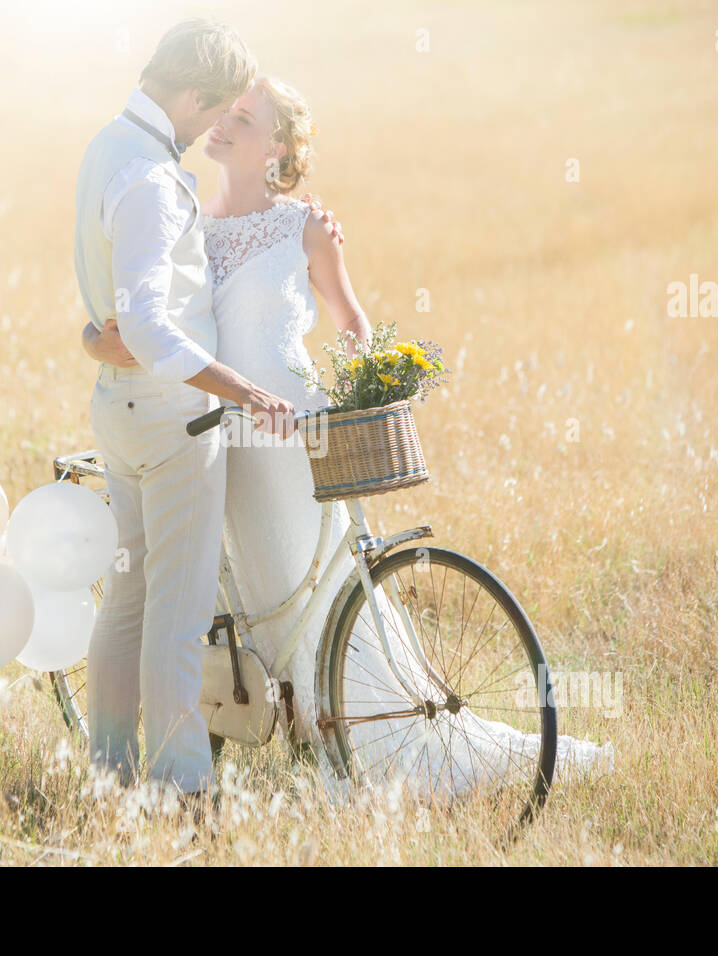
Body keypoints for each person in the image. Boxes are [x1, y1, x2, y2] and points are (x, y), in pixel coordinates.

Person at [83, 73, 614, 805]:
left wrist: (376, 386)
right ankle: (299, 725)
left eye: (244, 116)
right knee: (262, 595)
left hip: (299, 429)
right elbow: (154, 317)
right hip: (231, 435)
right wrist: (97, 342)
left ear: (276, 146)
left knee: (323, 581)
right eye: (225, 110)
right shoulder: (189, 227)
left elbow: (352, 324)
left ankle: (367, 734)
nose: (225, 122)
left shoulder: (304, 226)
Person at [72, 20, 297, 815]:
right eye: (214, 113)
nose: (212, 130)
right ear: (194, 96)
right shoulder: (150, 181)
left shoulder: (106, 144)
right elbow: (147, 326)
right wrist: (245, 392)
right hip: (176, 426)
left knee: (129, 602)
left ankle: (107, 771)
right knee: (177, 617)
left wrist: (98, 337)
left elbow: (112, 312)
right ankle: (186, 792)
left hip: (123, 415)